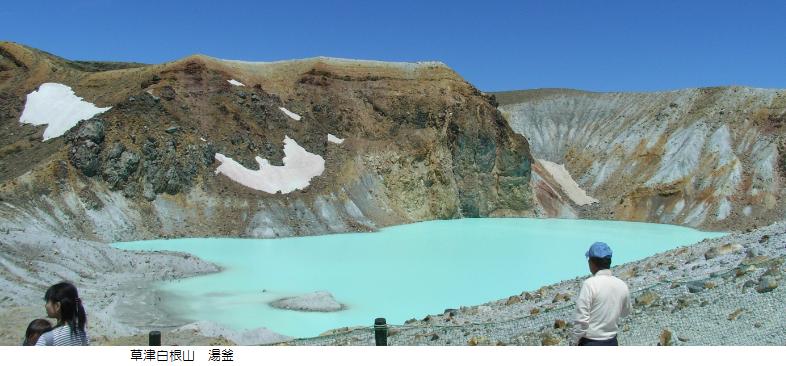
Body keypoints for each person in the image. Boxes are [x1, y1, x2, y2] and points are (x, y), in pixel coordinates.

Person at [572, 242, 631, 346]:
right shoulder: (622, 285)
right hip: (612, 342)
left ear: (591, 263)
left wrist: (574, 341)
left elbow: (581, 321)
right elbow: (625, 312)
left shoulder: (589, 284)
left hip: (590, 342)